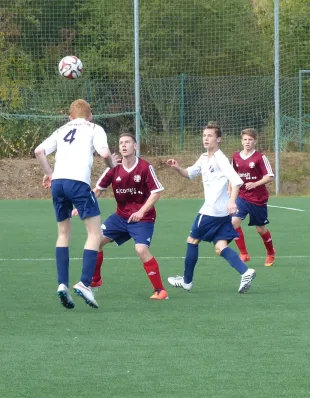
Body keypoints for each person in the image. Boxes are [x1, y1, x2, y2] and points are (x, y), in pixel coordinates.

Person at [34, 99, 118, 309]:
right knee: (94, 233)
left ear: (70, 117)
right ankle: (84, 283)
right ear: (90, 115)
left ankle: (62, 284)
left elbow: (39, 151)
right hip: (78, 183)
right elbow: (105, 153)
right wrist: (112, 166)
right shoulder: (94, 128)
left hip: (59, 184)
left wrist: (49, 174)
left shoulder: (62, 129)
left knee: (63, 234)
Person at [74, 132, 168, 300]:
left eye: (127, 142)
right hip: (120, 217)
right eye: (121, 143)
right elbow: (97, 190)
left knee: (141, 249)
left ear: (135, 146)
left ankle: (160, 290)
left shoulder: (145, 167)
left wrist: (141, 212)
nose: (123, 145)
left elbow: (156, 192)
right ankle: (95, 280)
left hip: (143, 218)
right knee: (95, 242)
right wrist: (83, 205)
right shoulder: (113, 168)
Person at [166, 121, 256, 293]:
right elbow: (189, 174)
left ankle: (186, 281)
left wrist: (232, 202)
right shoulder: (204, 158)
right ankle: (246, 271)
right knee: (220, 246)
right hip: (221, 214)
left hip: (211, 211)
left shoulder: (220, 159)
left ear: (218, 139)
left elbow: (237, 181)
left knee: (192, 240)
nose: (206, 139)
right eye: (204, 136)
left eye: (210, 136)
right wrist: (177, 168)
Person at [231, 128, 276, 266]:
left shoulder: (260, 158)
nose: (247, 142)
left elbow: (270, 176)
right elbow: (232, 176)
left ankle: (270, 252)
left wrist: (256, 183)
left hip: (258, 198)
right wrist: (230, 191)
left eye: (250, 140)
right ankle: (244, 253)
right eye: (245, 139)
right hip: (242, 196)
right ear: (241, 141)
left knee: (260, 229)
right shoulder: (235, 157)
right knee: (233, 223)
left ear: (255, 141)